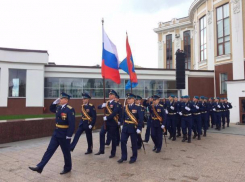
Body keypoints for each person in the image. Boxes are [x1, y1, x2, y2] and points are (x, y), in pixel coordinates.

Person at [29, 92, 75, 174]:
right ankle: (40, 167)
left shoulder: (69, 109)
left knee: (66, 152)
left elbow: (72, 124)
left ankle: (67, 168)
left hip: (64, 135)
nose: (60, 100)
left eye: (61, 98)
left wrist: (69, 136)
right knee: (49, 150)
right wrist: (54, 102)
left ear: (66, 100)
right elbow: (51, 109)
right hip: (56, 133)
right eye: (60, 98)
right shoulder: (59, 108)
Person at [118, 93, 143, 164]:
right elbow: (122, 116)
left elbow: (140, 119)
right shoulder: (125, 107)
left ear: (133, 99)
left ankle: (134, 157)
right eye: (128, 99)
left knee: (134, 143)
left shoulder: (138, 107)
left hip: (133, 127)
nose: (128, 100)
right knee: (122, 141)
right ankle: (123, 157)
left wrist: (139, 128)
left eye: (130, 99)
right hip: (125, 127)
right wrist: (122, 124)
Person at [95, 90, 120, 158]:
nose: (110, 96)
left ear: (114, 96)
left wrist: (107, 117)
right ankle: (101, 150)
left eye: (111, 95)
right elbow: (98, 107)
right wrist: (102, 105)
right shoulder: (107, 103)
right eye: (109, 95)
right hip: (106, 123)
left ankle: (113, 152)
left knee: (113, 138)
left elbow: (114, 113)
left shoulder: (116, 104)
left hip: (113, 122)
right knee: (101, 133)